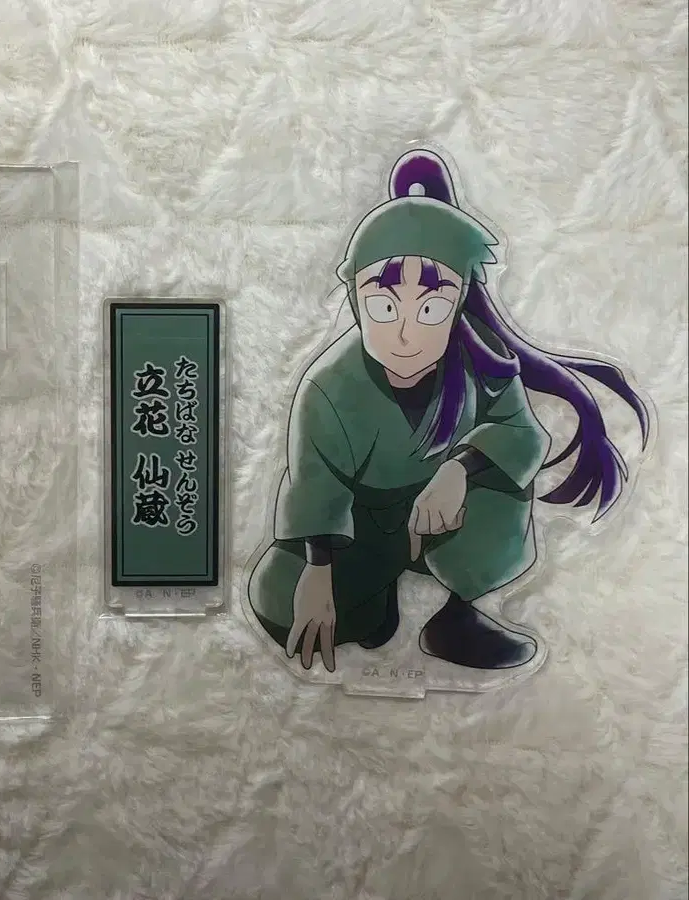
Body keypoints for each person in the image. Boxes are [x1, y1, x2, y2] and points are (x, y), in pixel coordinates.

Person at [248, 149, 649, 673]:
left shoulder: (480, 356)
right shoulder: (327, 386)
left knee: (503, 485)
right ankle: (375, 609)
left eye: (432, 307)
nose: (406, 333)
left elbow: (522, 434)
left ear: (458, 300)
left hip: (447, 515)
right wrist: (317, 574)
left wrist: (460, 468)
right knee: (277, 598)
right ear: (354, 298)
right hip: (357, 522)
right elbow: (314, 486)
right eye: (384, 306)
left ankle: (457, 618)